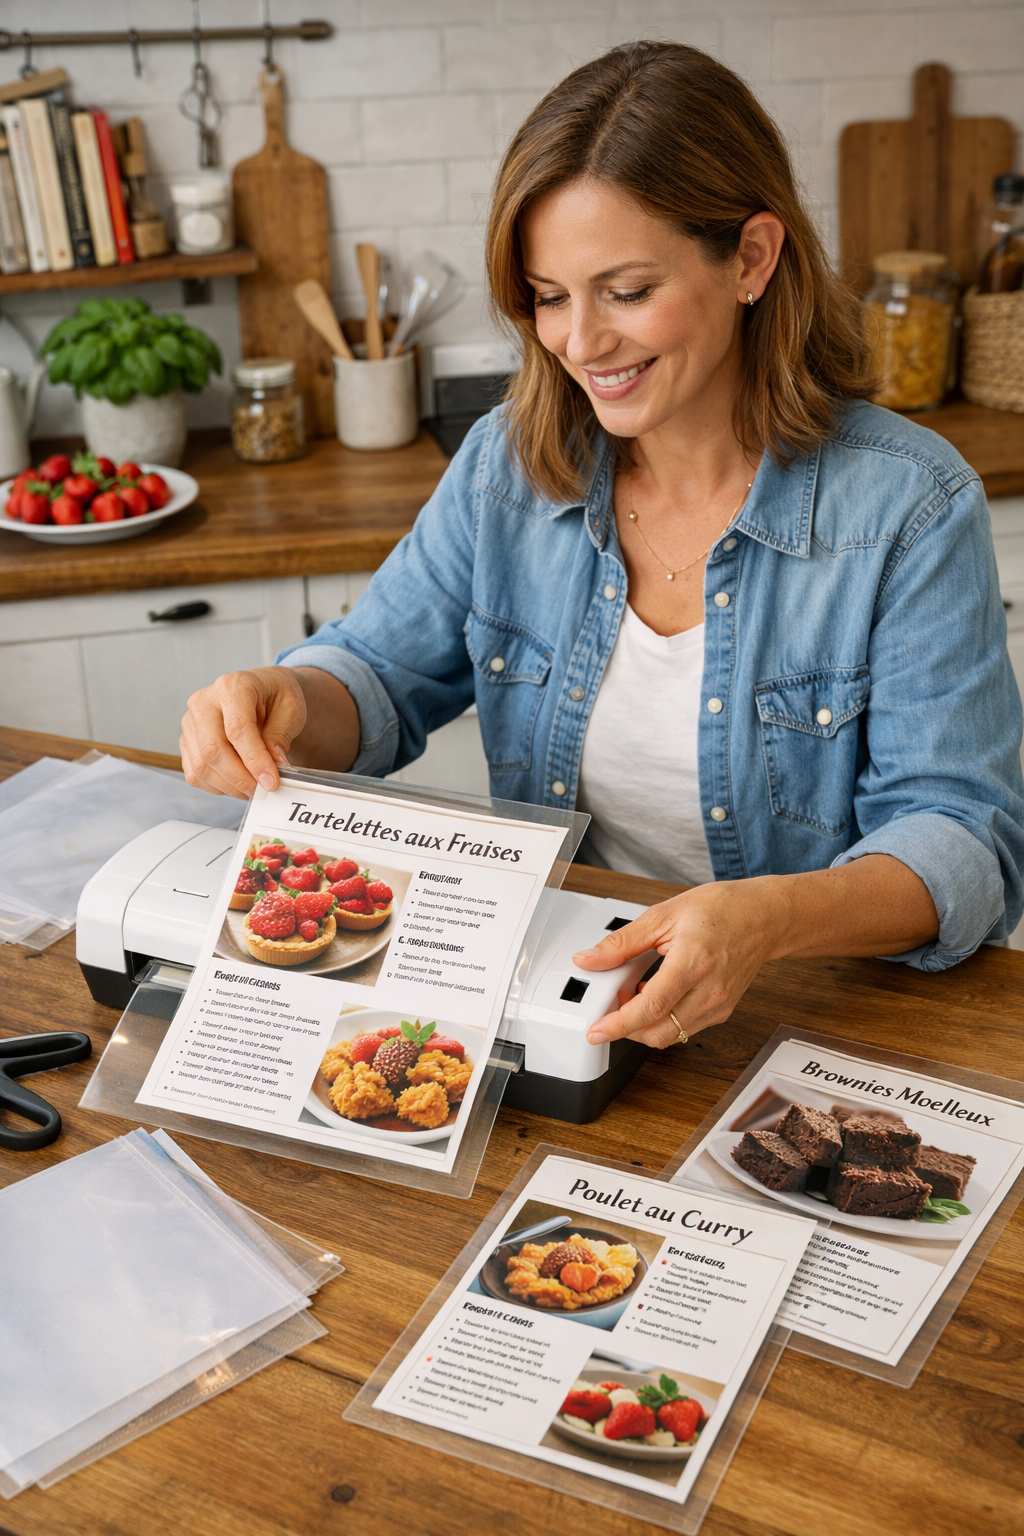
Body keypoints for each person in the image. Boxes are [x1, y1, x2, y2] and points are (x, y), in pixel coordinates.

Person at [181, 41, 1024, 1057]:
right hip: (573, 1012)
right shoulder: (507, 465)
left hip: (812, 1016)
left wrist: (763, 920)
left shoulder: (908, 504)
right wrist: (283, 697)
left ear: (751, 259)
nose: (579, 343)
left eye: (624, 291)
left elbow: (961, 836)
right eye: (549, 296)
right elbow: (378, 674)